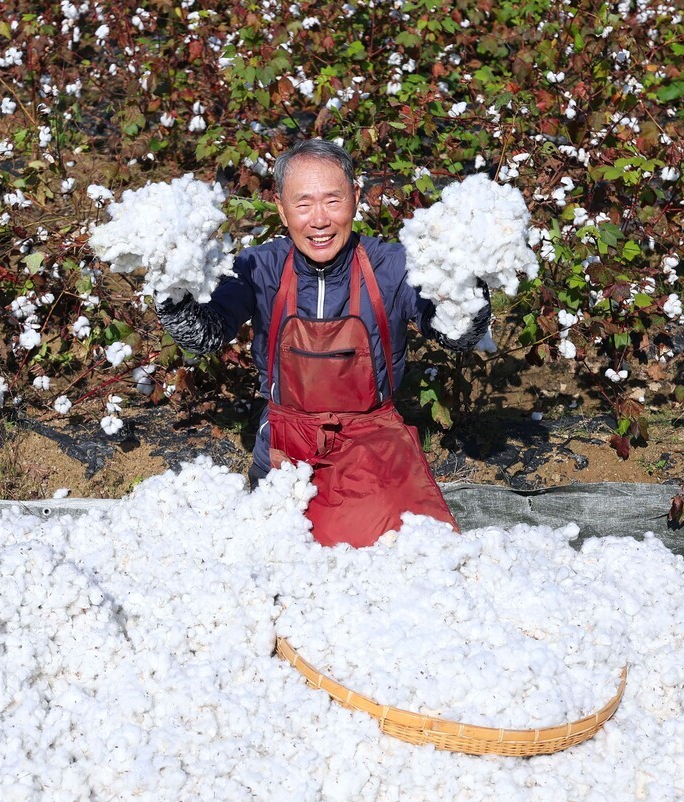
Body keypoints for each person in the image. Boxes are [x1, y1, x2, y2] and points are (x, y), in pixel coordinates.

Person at [157, 139, 490, 546]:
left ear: (354, 197)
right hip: (285, 453)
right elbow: (206, 336)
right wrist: (169, 287)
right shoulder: (260, 266)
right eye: (303, 204)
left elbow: (454, 335)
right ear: (281, 208)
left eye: (333, 201)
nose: (319, 220)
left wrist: (470, 287)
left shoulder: (393, 266)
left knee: (408, 560)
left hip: (373, 449)